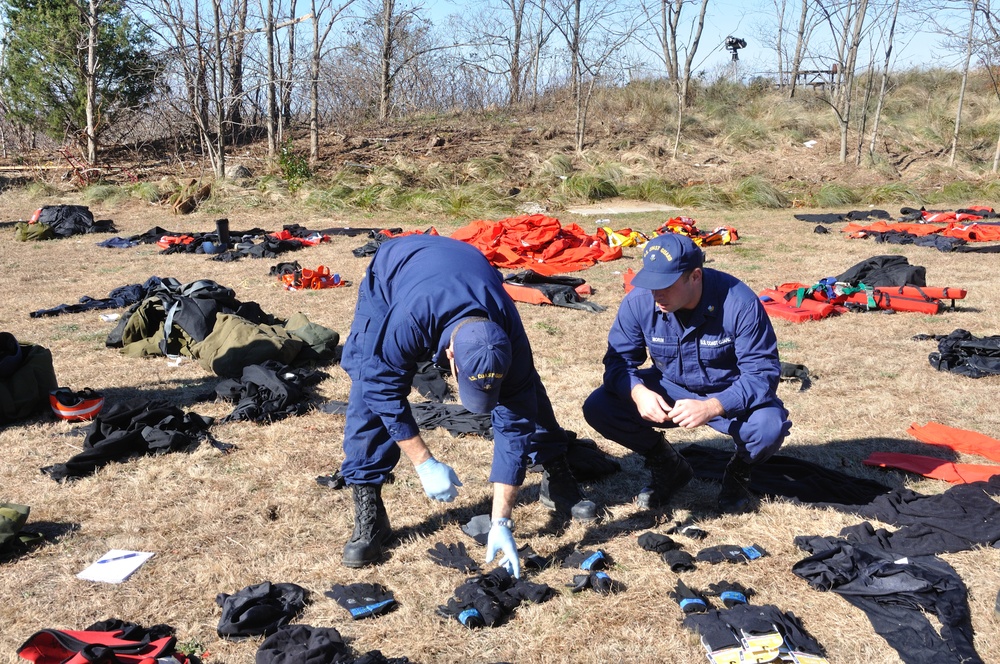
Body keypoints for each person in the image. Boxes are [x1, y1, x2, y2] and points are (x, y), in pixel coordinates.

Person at [337, 234, 597, 576]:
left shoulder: (509, 331)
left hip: (467, 266)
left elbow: (515, 418)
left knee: (526, 388)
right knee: (368, 377)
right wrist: (424, 462)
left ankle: (555, 468)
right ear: (450, 358)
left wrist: (501, 520)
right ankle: (368, 502)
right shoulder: (409, 320)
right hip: (395, 270)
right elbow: (381, 388)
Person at [582, 233, 791, 513]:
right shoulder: (639, 302)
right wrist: (638, 391)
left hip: (728, 392)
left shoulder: (739, 303)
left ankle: (739, 472)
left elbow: (762, 374)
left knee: (768, 427)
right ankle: (667, 463)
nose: (657, 295)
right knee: (600, 407)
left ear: (695, 276)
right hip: (670, 387)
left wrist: (714, 406)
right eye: (651, 284)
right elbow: (618, 362)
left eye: (665, 285)